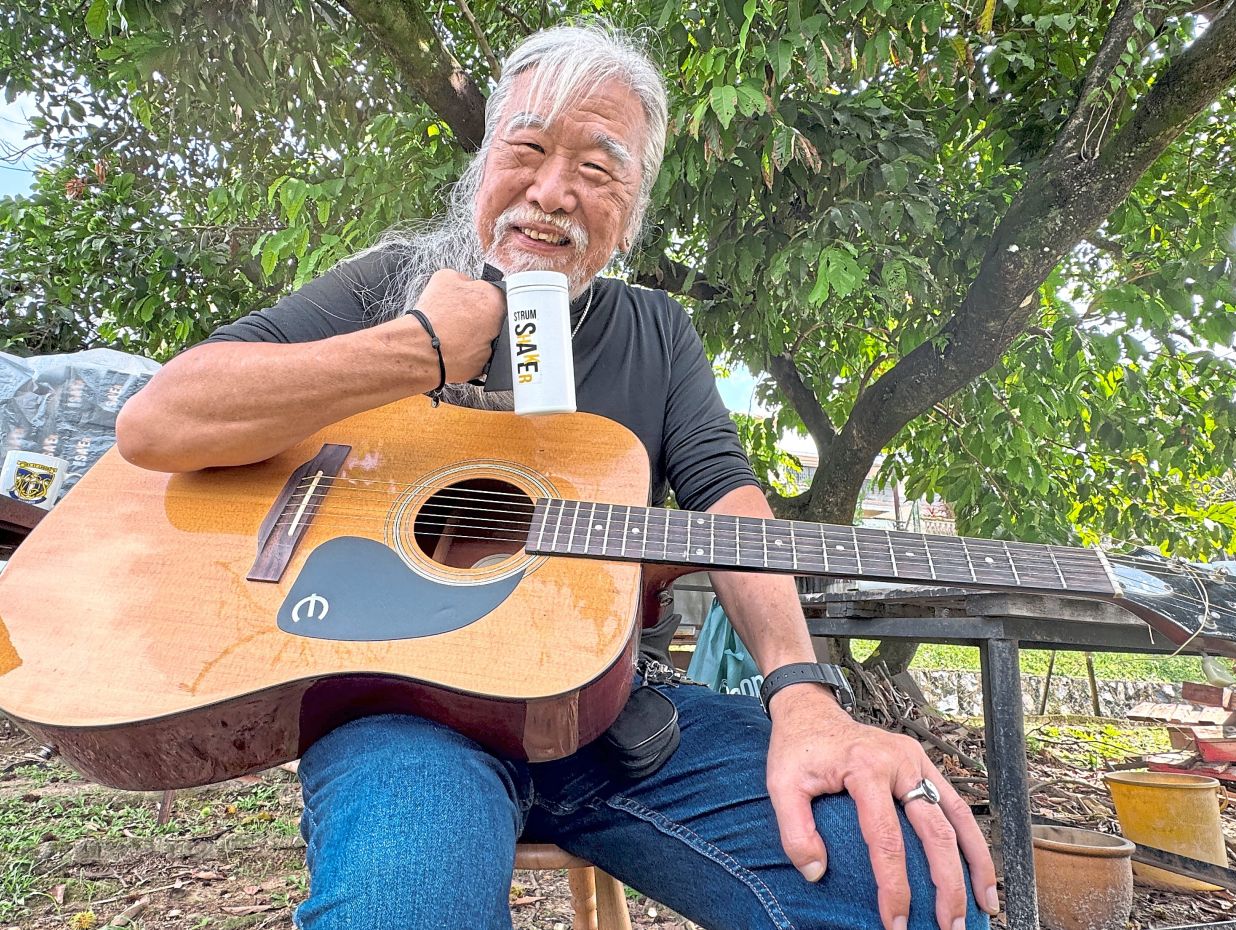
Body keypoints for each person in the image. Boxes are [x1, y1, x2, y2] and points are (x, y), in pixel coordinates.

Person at [116, 23, 997, 930]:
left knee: (911, 895)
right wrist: (417, 348)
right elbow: (159, 421)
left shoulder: (658, 331)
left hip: (619, 715)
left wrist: (803, 697)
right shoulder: (393, 286)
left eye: (598, 168)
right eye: (527, 149)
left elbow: (728, 500)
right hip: (405, 719)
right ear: (483, 163)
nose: (550, 192)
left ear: (632, 210)